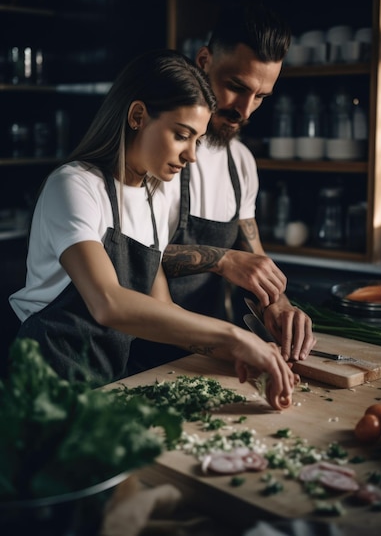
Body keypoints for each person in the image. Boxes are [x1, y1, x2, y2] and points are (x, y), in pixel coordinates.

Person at [9, 48, 296, 409]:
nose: (192, 155)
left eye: (197, 140)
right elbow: (108, 302)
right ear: (138, 116)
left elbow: (163, 308)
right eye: (182, 135)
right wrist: (236, 336)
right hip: (43, 387)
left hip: (105, 386)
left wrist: (237, 353)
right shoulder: (74, 185)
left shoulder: (152, 199)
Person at [162, 3, 316, 362]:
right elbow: (125, 259)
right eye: (236, 87)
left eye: (260, 97)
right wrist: (222, 259)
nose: (245, 111)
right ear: (203, 61)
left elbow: (252, 252)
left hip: (205, 354)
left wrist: (279, 304)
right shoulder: (159, 152)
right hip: (138, 348)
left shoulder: (241, 163)